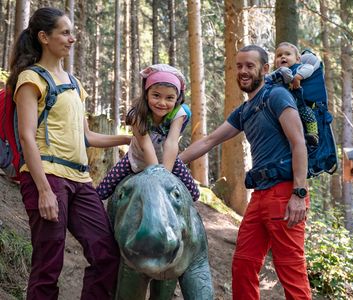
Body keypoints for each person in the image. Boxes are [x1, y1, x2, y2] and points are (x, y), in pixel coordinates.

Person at [8, 7, 131, 299]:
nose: (72, 38)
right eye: (64, 32)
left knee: (105, 254)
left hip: (80, 180)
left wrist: (127, 138)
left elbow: (87, 136)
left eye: (71, 32)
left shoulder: (75, 84)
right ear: (43, 37)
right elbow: (27, 136)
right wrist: (43, 191)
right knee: (48, 264)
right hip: (47, 177)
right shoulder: (30, 79)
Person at [179, 45, 311, 299]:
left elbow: (298, 143)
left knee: (290, 271)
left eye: (249, 66)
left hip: (285, 194)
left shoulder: (277, 96)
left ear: (264, 69)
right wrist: (171, 163)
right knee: (243, 264)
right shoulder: (245, 110)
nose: (243, 71)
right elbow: (209, 141)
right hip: (260, 196)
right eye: (239, 66)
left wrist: (299, 193)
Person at [96, 64, 200, 201]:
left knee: (194, 193)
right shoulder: (137, 115)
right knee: (102, 191)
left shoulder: (179, 113)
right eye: (156, 95)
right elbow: (146, 146)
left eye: (169, 98)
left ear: (177, 98)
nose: (162, 103)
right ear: (146, 94)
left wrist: (165, 176)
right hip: (137, 157)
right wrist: (157, 176)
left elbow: (171, 142)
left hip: (167, 159)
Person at [266, 42, 320, 147]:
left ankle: (313, 135)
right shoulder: (277, 73)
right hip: (282, 107)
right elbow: (267, 80)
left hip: (299, 105)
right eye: (279, 55)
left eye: (287, 54)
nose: (283, 57)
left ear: (298, 59)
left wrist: (298, 77)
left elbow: (309, 68)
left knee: (308, 114)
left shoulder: (299, 68)